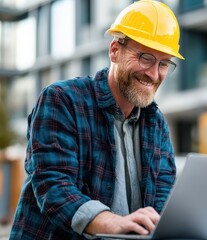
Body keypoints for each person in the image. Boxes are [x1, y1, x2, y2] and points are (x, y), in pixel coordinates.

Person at [10, 0, 184, 239]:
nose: (154, 74)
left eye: (163, 63)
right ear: (115, 50)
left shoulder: (155, 123)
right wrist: (113, 223)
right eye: (145, 58)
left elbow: (163, 197)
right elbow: (53, 187)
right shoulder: (62, 100)